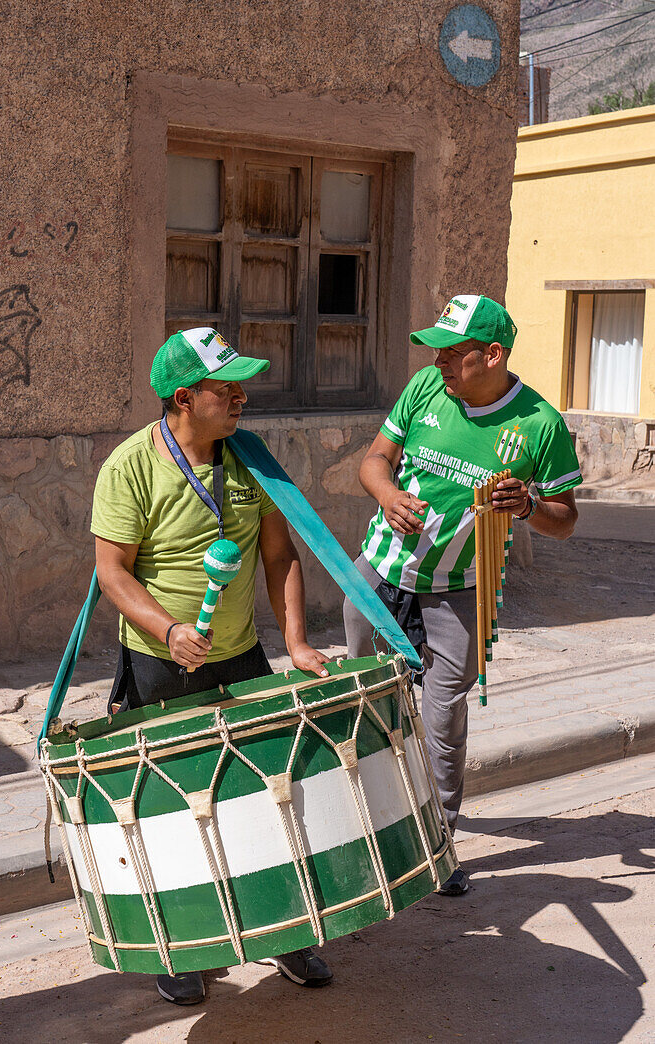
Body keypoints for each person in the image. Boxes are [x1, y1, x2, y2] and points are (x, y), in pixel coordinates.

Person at [91, 327, 333, 1004]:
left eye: (238, 385)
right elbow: (112, 573)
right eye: (223, 388)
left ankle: (283, 933)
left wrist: (295, 641)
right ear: (180, 397)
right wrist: (167, 630)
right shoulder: (130, 467)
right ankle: (178, 947)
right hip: (158, 663)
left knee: (264, 798)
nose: (239, 396)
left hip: (241, 658)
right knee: (173, 809)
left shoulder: (249, 458)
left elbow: (279, 555)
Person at [343, 294, 581, 894]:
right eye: (438, 350)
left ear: (494, 354)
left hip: (459, 590)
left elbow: (566, 517)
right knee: (361, 696)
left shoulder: (539, 424)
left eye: (455, 351)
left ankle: (437, 845)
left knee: (442, 716)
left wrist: (529, 506)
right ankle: (362, 821)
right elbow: (375, 462)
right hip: (378, 574)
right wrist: (387, 495)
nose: (441, 361)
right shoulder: (425, 387)